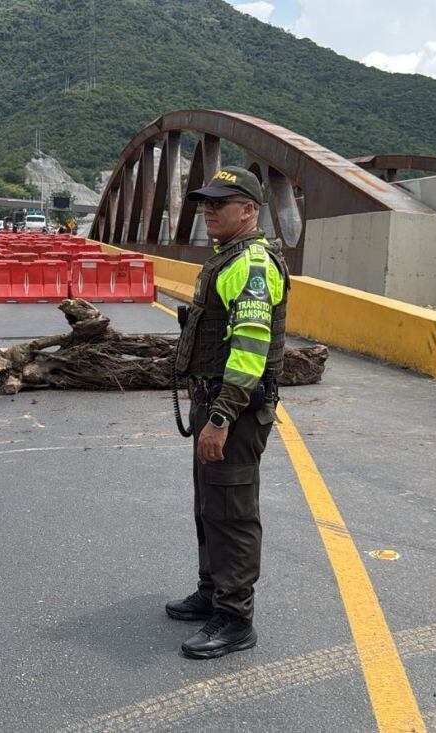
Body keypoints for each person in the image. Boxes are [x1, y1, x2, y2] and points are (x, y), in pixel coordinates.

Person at [167, 166, 288, 660]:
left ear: (249, 211)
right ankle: (211, 591)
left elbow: (250, 349)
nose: (209, 209)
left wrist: (220, 417)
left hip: (232, 410)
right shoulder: (226, 258)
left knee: (233, 513)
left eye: (222, 201)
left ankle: (235, 617)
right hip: (212, 401)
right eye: (206, 201)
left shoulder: (252, 264)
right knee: (209, 506)